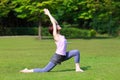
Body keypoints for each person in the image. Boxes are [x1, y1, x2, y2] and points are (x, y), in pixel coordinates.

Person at [20, 9, 84, 73]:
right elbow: (54, 23)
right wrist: (48, 14)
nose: (58, 25)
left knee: (76, 52)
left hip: (63, 55)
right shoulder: (56, 36)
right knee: (44, 70)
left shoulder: (60, 35)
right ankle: (27, 70)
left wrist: (52, 19)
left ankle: (77, 68)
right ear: (55, 29)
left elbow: (55, 22)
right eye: (57, 26)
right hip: (58, 56)